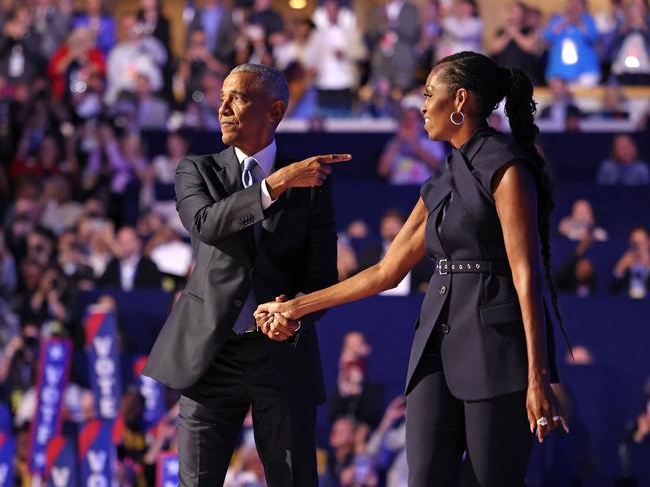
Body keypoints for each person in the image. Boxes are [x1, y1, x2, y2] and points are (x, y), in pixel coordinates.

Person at [256, 52, 569, 486]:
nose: (421, 106)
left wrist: (538, 375)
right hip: (435, 344)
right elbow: (386, 271)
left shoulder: (506, 166)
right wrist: (297, 306)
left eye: (428, 94)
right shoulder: (444, 173)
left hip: (497, 347)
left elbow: (525, 274)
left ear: (459, 100)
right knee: (422, 476)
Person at [143, 63, 349, 485]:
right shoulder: (196, 170)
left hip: (282, 353)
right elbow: (205, 223)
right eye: (221, 98)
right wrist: (277, 184)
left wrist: (294, 315)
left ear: (274, 110)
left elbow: (322, 273)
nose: (222, 108)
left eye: (236, 97)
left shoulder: (314, 183)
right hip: (210, 354)